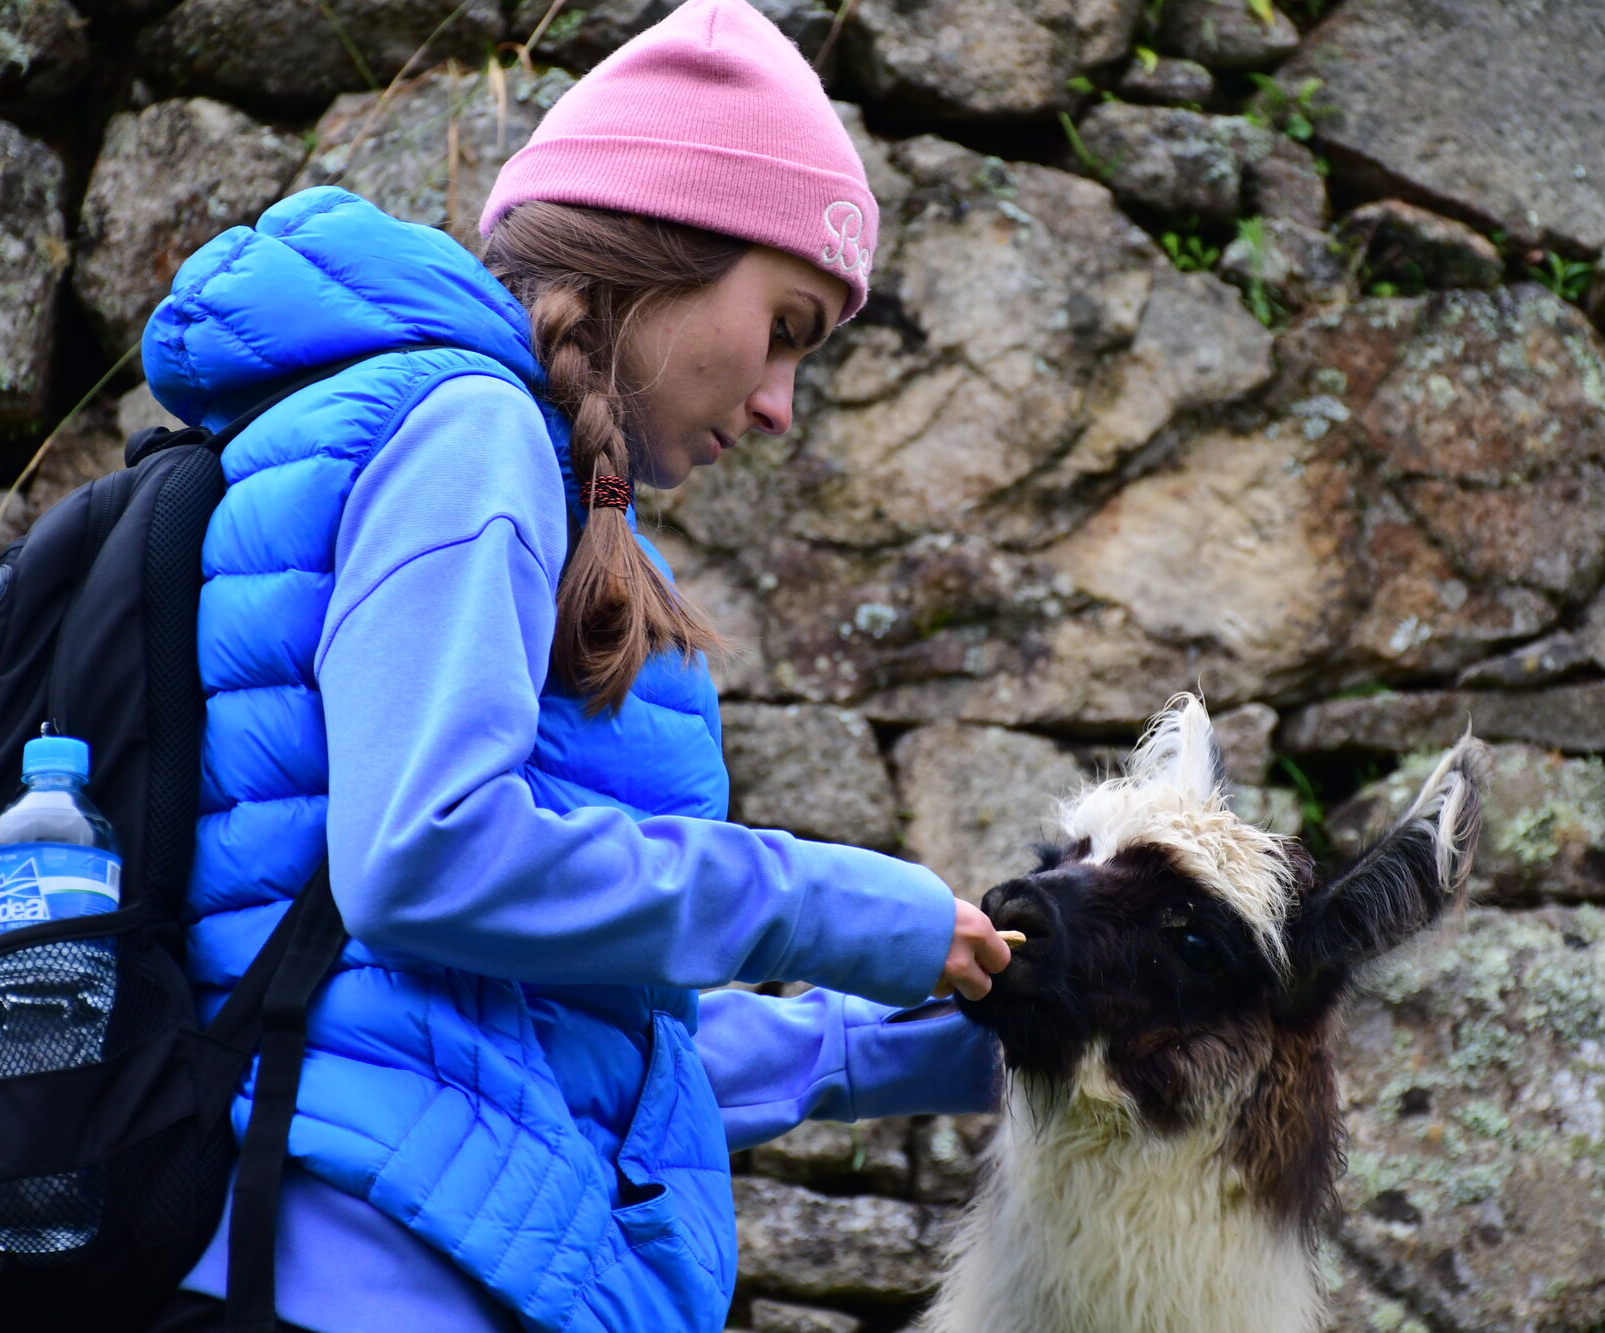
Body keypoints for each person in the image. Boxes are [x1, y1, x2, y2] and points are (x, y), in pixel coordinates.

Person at [141, 2, 1011, 1329]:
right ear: (663, 247)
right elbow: (429, 856)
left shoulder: (521, 469)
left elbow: (553, 1045)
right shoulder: (471, 433)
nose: (781, 403)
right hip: (353, 1278)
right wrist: (849, 904)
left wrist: (924, 1044)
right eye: (784, 326)